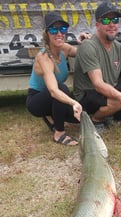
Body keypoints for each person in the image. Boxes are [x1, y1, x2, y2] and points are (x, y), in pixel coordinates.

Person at [73, 1, 121, 130]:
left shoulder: (119, 47)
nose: (111, 24)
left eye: (115, 20)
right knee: (118, 101)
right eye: (106, 20)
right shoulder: (88, 46)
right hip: (88, 93)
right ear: (97, 25)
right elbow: (98, 84)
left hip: (108, 89)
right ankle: (96, 120)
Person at [26, 12, 83, 146]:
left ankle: (51, 116)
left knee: (78, 118)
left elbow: (85, 53)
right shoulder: (44, 57)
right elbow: (53, 91)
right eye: (53, 29)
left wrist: (84, 42)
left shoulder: (65, 49)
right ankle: (59, 134)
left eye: (62, 29)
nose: (59, 33)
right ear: (47, 34)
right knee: (61, 89)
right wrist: (73, 102)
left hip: (53, 96)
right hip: (36, 100)